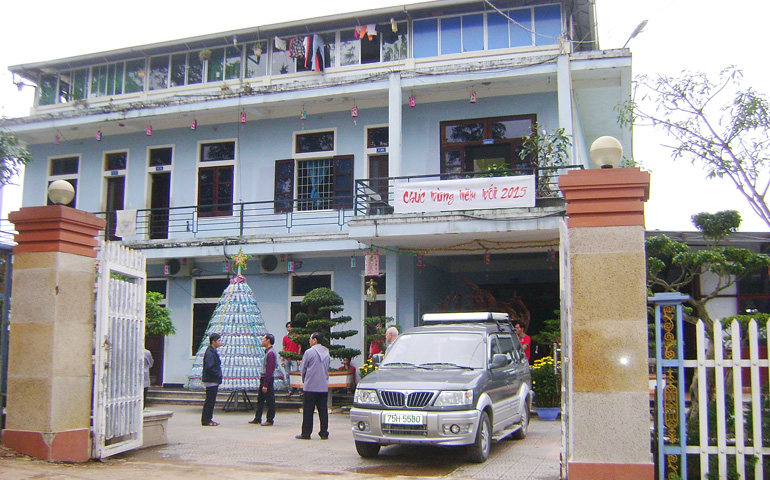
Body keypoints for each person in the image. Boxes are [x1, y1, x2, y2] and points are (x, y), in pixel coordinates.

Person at [296, 332, 330, 440]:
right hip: (323, 386)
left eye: (310, 339)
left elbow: (303, 368)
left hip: (310, 386)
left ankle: (306, 433)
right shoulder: (326, 352)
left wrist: (305, 380)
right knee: (323, 411)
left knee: (308, 411)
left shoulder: (309, 352)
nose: (309, 341)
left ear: (315, 340)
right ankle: (324, 432)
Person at [249, 333, 276, 426]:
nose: (262, 341)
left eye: (264, 339)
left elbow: (269, 369)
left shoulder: (271, 353)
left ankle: (270, 419)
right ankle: (257, 417)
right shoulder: (267, 352)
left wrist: (266, 384)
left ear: (268, 340)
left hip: (267, 378)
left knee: (270, 399)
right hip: (264, 377)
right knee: (260, 399)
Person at [201, 333, 222, 426]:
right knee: (210, 401)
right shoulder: (210, 353)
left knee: (211, 400)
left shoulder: (213, 351)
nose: (220, 342)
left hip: (212, 380)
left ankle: (209, 418)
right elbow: (209, 367)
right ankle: (206, 420)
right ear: (213, 342)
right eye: (218, 341)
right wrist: (217, 374)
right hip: (211, 380)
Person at [281, 322, 300, 396]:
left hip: (294, 358)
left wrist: (298, 358)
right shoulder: (285, 338)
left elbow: (299, 347)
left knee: (296, 373)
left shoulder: (297, 337)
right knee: (287, 374)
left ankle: (299, 389)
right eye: (288, 327)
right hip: (286, 358)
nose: (289, 328)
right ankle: (290, 390)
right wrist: (283, 359)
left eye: (290, 327)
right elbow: (283, 348)